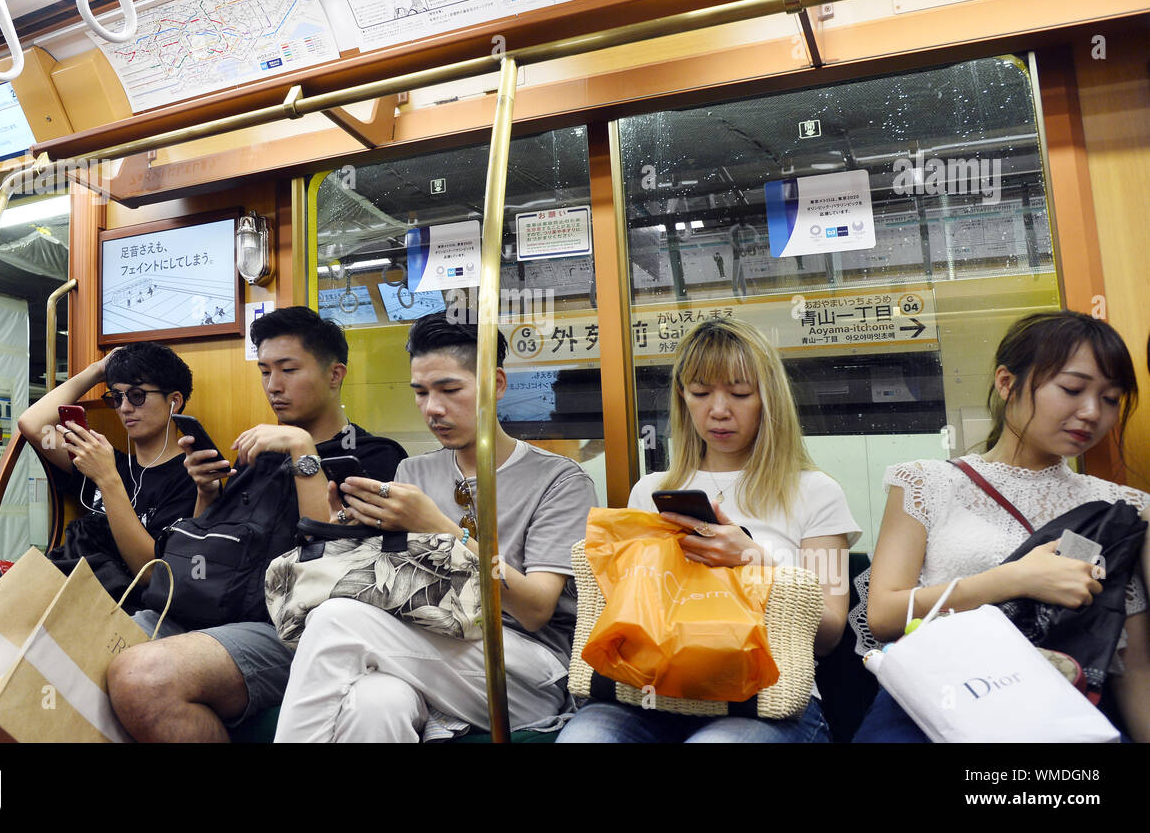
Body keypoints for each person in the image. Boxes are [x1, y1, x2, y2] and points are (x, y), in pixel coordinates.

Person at [272, 312, 597, 742]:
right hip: (428, 641)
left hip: (525, 667)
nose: (433, 408)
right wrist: (348, 532)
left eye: (449, 389)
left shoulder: (560, 480)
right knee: (376, 703)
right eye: (421, 393)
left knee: (335, 620)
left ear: (495, 385)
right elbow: (394, 580)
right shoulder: (415, 471)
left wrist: (444, 530)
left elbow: (536, 610)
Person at [106, 307, 406, 742]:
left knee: (145, 678)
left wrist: (302, 451)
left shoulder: (375, 456)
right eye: (265, 371)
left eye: (288, 369)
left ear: (335, 374)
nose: (273, 386)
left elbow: (337, 563)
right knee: (83, 650)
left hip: (289, 629)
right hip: (210, 608)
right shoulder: (259, 454)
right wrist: (207, 494)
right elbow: (203, 546)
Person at [559, 316, 859, 743]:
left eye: (739, 393)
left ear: (768, 399)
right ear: (683, 398)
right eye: (700, 393)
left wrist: (753, 560)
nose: (718, 410)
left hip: (766, 700)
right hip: (652, 692)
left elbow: (829, 631)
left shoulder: (816, 492)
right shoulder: (652, 491)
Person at [853, 311, 1150, 742]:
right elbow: (884, 615)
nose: (1091, 412)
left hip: (1057, 713)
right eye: (1071, 389)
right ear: (1007, 382)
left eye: (1110, 399)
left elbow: (1134, 663)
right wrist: (1016, 579)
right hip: (946, 704)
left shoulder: (1123, 508)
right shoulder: (927, 482)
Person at [17, 342, 197, 602]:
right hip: (65, 588)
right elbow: (33, 424)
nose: (124, 408)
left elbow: (152, 573)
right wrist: (98, 369)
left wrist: (106, 478)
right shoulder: (107, 460)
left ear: (174, 402)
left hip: (119, 607)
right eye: (116, 396)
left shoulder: (191, 477)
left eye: (137, 395)